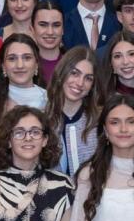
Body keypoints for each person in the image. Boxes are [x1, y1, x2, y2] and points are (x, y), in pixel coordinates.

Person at [42, 46, 101, 176]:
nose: (80, 83)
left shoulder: (99, 121)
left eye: (88, 78)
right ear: (61, 73)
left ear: (92, 86)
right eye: (74, 73)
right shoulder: (41, 118)